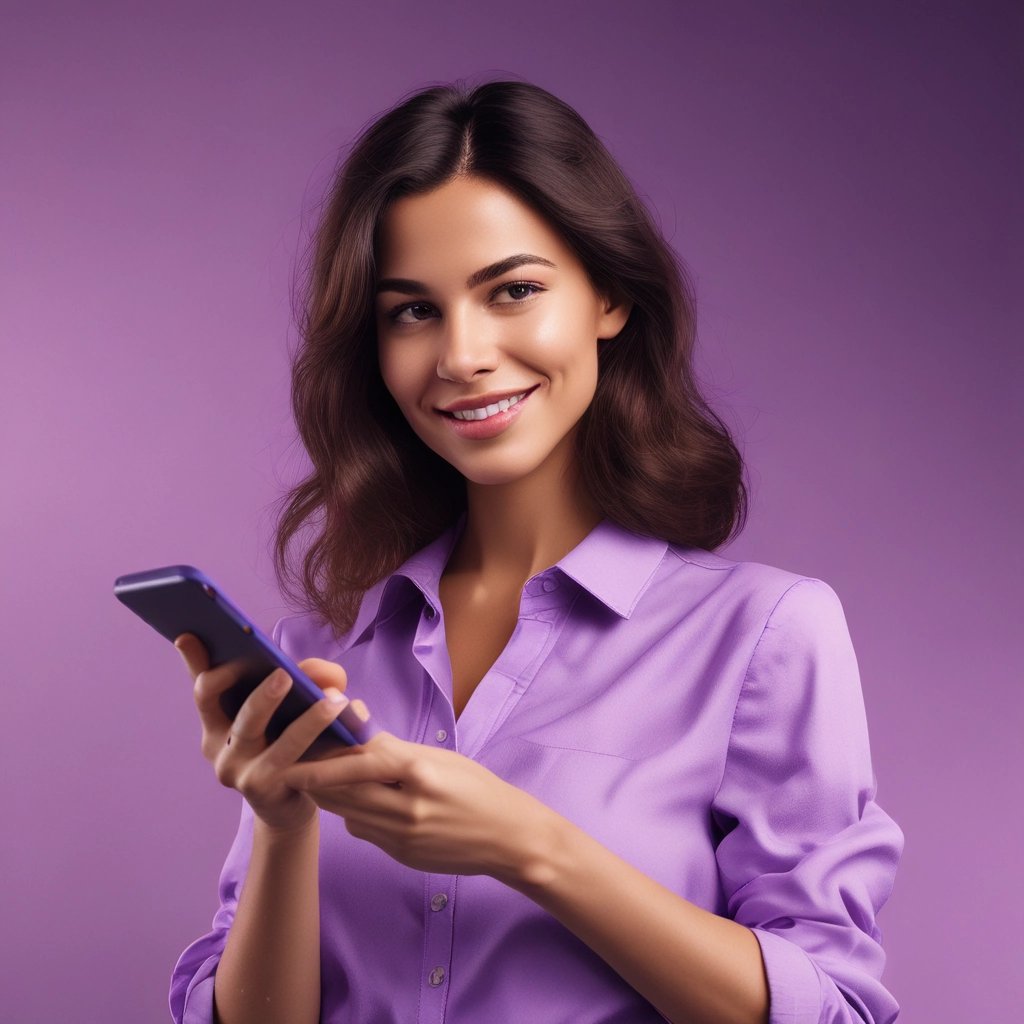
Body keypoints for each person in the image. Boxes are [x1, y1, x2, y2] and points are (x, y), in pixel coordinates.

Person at [169, 79, 903, 1024]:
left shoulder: (765, 637)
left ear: (610, 295)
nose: (461, 355)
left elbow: (835, 1009)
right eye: (412, 311)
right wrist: (281, 822)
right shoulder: (328, 652)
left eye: (513, 291)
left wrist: (532, 847)